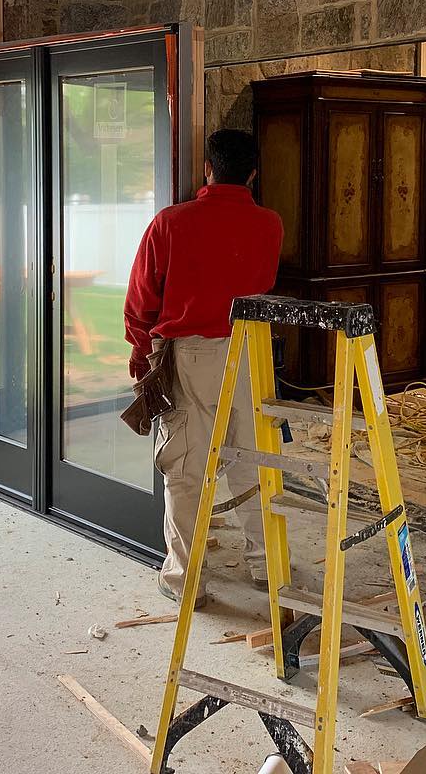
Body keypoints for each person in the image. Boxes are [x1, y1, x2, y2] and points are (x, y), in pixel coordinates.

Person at [124, 130, 284, 607]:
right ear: (253, 173)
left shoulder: (170, 223)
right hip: (252, 352)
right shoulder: (270, 225)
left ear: (207, 170)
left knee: (185, 468)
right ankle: (267, 566)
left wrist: (140, 352)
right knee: (253, 462)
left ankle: (185, 580)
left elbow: (141, 300)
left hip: (190, 355)